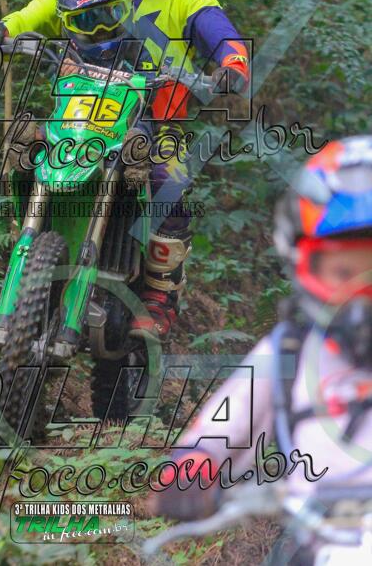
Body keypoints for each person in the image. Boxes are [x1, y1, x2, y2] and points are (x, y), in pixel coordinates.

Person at [0, 0, 250, 341]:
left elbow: (222, 34)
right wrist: (3, 30)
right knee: (27, 151)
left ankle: (159, 294)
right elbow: (36, 10)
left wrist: (233, 63)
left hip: (156, 121)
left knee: (165, 181)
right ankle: (26, 249)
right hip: (80, 114)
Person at [147, 136, 372, 529]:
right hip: (321, 543)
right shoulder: (291, 350)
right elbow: (222, 427)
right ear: (303, 266)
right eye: (342, 272)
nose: (360, 295)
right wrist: (194, 465)